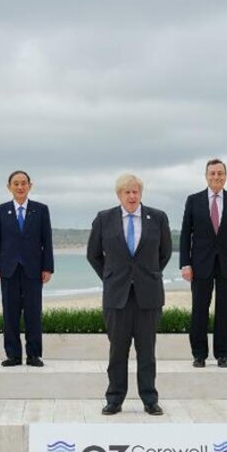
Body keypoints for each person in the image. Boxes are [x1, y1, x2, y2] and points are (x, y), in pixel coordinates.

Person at [86, 173, 172, 416]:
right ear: (119, 195)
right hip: (117, 297)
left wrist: (147, 275)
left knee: (147, 352)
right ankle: (114, 399)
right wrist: (111, 277)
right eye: (127, 192)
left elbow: (164, 253)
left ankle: (150, 399)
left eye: (136, 191)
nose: (132, 196)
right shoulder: (104, 219)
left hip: (149, 295)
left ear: (141, 193)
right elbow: (93, 255)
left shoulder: (158, 217)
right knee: (118, 352)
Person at [179, 158, 227, 368]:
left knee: (226, 310)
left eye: (220, 173)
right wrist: (185, 264)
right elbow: (185, 234)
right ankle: (199, 355)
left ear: (225, 176)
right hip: (200, 263)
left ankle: (223, 354)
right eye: (212, 173)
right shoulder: (194, 200)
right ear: (206, 176)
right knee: (199, 309)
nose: (216, 177)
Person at [0, 170, 54, 367]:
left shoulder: (41, 210)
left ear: (30, 186)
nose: (20, 187)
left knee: (33, 313)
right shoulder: (0, 210)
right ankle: (13, 355)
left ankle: (34, 355)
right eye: (16, 183)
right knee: (10, 314)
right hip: (8, 269)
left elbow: (47, 240)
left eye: (23, 183)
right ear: (9, 187)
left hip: (33, 269)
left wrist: (48, 267)